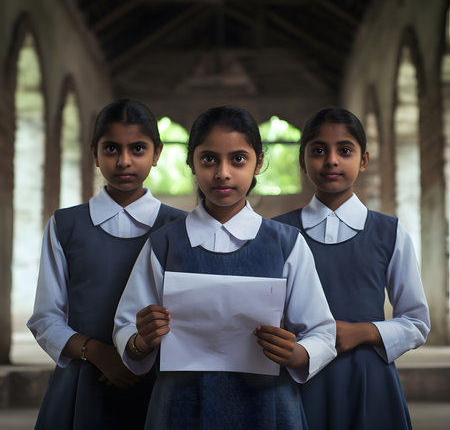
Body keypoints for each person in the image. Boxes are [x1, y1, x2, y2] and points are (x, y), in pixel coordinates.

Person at [113, 105, 336, 430]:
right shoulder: (165, 244)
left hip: (268, 407)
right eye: (208, 159)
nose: (223, 173)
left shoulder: (286, 244)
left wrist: (297, 353)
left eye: (238, 159)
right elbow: (125, 327)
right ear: (191, 163)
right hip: (180, 407)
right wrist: (141, 340)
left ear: (259, 162)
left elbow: (322, 332)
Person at [27, 99, 187, 430]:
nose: (124, 161)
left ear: (157, 154)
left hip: (159, 383)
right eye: (111, 148)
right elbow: (45, 318)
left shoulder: (180, 227)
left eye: (138, 149)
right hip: (84, 380)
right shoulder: (66, 225)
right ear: (94, 152)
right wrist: (99, 354)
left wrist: (137, 358)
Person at [273, 107, 430, 430]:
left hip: (368, 379)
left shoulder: (390, 232)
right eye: (318, 151)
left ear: (364, 160)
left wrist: (363, 332)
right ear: (302, 162)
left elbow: (416, 322)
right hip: (298, 377)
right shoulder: (276, 233)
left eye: (344, 150)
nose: (331, 160)